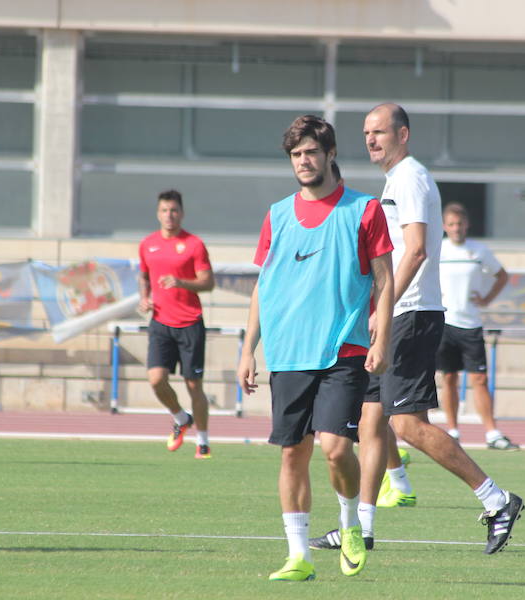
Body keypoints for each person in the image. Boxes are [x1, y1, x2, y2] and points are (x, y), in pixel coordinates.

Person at [311, 104, 523, 555]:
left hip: (410, 315)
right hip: (399, 313)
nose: (370, 139)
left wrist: (381, 307)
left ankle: (496, 499)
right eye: (366, 132)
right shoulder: (396, 179)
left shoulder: (409, 177)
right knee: (371, 420)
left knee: (406, 424)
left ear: (403, 134)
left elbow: (416, 250)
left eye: (380, 131)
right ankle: (359, 529)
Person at [237, 115, 394, 582]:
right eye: (296, 154)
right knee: (292, 455)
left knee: (334, 448)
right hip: (287, 353)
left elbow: (385, 282)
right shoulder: (277, 214)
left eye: (311, 152)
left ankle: (348, 523)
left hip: (343, 349)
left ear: (330, 155)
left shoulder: (364, 209)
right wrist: (248, 350)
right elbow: (263, 287)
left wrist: (381, 338)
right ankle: (299, 556)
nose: (304, 161)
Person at [138, 190, 214, 458]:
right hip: (160, 322)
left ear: (181, 213)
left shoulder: (193, 244)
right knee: (156, 380)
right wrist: (144, 298)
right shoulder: (148, 244)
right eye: (164, 210)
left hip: (190, 322)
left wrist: (181, 282)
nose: (169, 215)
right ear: (158, 213)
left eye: (174, 210)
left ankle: (202, 441)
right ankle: (181, 418)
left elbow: (208, 282)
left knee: (194, 385)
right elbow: (144, 276)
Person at [437, 202, 518, 449]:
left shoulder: (478, 251)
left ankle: (492, 433)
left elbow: (502, 275)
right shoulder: (438, 249)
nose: (456, 228)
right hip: (444, 323)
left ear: (467, 225)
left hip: (471, 324)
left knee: (479, 379)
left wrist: (487, 299)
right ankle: (452, 430)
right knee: (448, 377)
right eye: (451, 224)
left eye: (459, 224)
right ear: (444, 226)